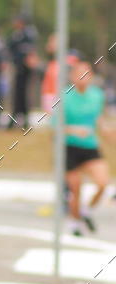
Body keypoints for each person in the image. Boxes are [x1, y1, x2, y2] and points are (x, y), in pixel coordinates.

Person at [59, 59, 114, 235]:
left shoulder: (97, 95)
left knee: (103, 182)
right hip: (70, 147)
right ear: (72, 77)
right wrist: (73, 130)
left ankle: (86, 210)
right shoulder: (64, 96)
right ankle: (74, 223)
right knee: (76, 188)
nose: (83, 78)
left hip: (90, 146)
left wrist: (108, 132)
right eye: (79, 74)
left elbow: (98, 119)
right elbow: (55, 126)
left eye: (87, 74)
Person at [7, 14, 37, 129]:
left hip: (25, 69)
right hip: (18, 68)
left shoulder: (28, 34)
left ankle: (25, 119)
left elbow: (29, 51)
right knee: (17, 94)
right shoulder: (16, 35)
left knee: (24, 94)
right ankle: (16, 117)